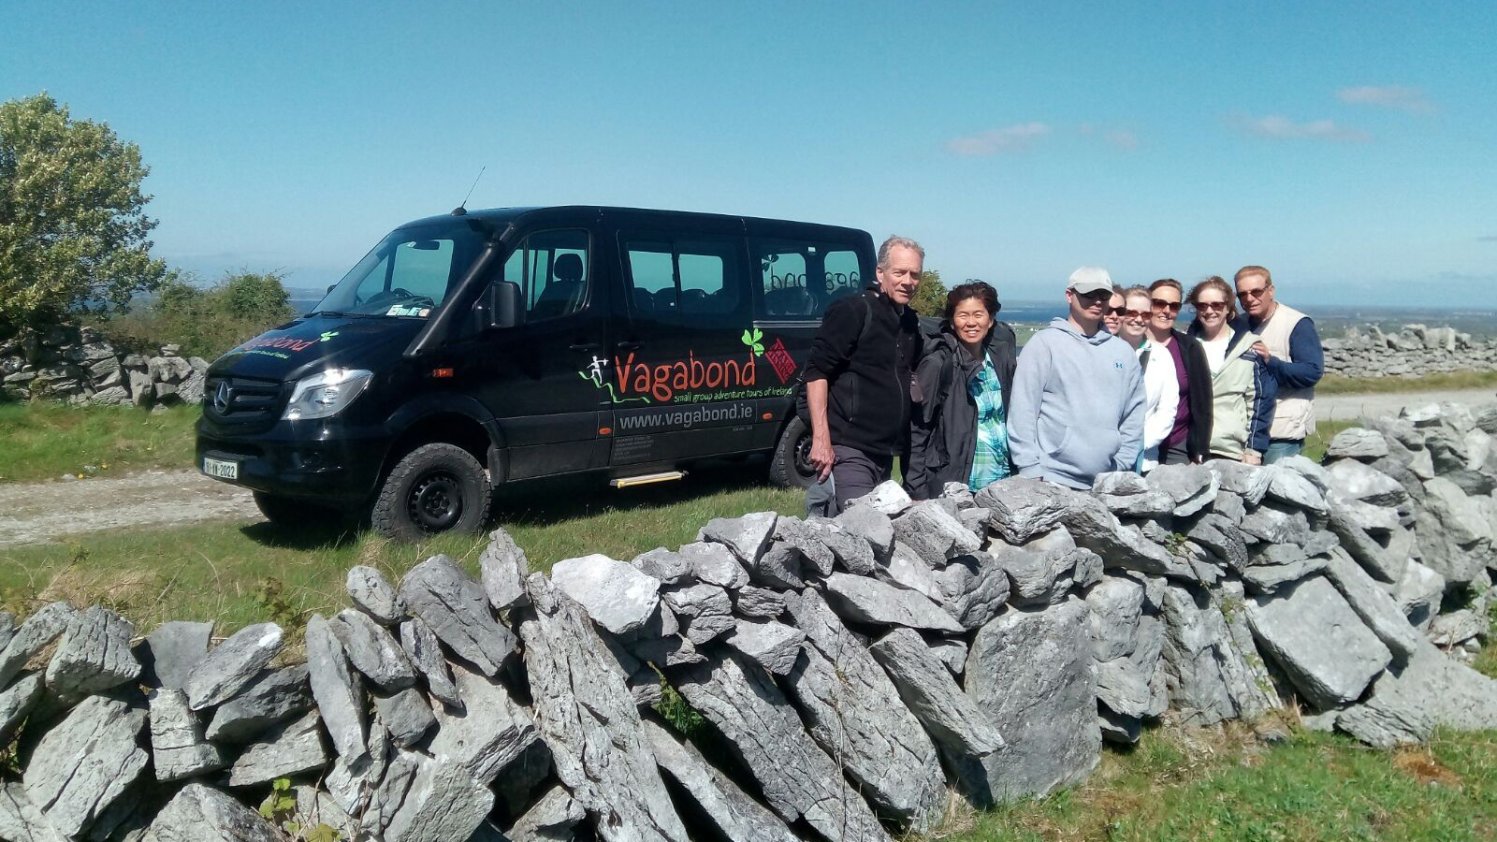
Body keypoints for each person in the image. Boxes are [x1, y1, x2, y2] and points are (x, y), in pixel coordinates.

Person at [804, 235, 923, 510]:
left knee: (876, 533)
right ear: (880, 273)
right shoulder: (853, 310)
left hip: (883, 454)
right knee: (861, 529)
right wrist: (821, 440)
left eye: (915, 274)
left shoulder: (908, 321)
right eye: (900, 272)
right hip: (849, 449)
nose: (908, 281)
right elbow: (816, 372)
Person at [1008, 266, 1145, 489]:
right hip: (1051, 481)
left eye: (1103, 295)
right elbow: (1022, 410)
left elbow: (1134, 412)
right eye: (1088, 294)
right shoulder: (1044, 345)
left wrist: (1121, 466)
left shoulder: (1123, 352)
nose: (1097, 301)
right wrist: (1030, 469)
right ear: (1069, 296)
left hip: (1106, 483)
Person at [906, 281, 1017, 499]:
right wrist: (918, 491)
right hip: (957, 487)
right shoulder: (939, 363)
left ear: (991, 319)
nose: (971, 323)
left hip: (1001, 481)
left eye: (978, 314)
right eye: (963, 315)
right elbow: (917, 430)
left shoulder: (998, 359)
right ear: (952, 321)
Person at [1234, 265, 1323, 463]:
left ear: (1270, 290)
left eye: (1256, 292)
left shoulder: (1297, 324)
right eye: (1242, 294)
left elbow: (1311, 372)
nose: (1249, 299)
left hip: (1281, 433)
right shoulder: (1238, 324)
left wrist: (1270, 362)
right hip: (1245, 432)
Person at [1186, 276, 1274, 464]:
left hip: (1232, 450)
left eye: (1216, 305)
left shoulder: (1249, 348)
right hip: (1190, 449)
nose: (1209, 311)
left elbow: (1259, 400)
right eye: (1202, 306)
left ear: (1228, 307)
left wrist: (1254, 449)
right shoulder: (1185, 346)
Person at [1146, 279, 1212, 465]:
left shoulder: (1190, 347)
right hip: (1133, 441)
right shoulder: (1130, 345)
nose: (1166, 310)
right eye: (1159, 303)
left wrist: (1199, 448)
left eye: (1174, 306)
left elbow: (1202, 402)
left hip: (1176, 443)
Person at [1119, 285, 1178, 471]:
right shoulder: (1103, 350)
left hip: (1144, 459)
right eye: (1131, 313)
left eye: (1145, 314)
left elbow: (1168, 408)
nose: (1138, 319)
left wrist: (1139, 441)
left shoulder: (1161, 355)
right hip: (1103, 456)